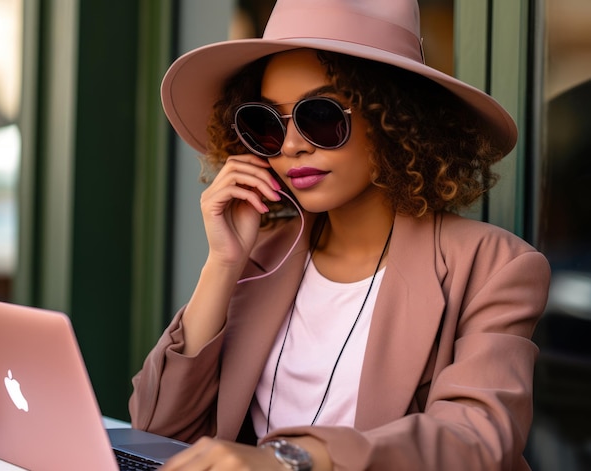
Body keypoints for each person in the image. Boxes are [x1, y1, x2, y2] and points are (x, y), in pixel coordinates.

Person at [129, 0, 551, 469]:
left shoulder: (493, 266)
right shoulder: (260, 259)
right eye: (266, 124)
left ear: (393, 119)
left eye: (320, 116)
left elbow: (476, 439)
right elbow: (156, 430)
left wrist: (295, 460)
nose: (291, 145)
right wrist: (222, 265)